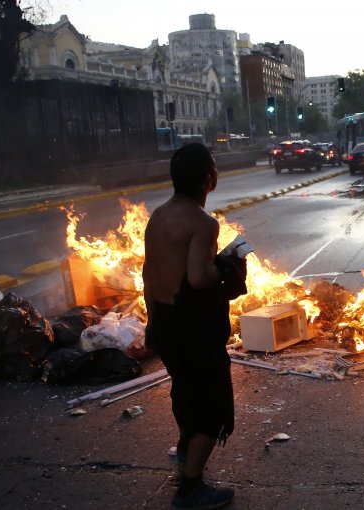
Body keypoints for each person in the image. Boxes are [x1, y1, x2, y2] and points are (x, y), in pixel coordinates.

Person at [143, 143, 247, 510]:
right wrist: (230, 265)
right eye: (213, 169)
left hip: (166, 321)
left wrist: (152, 320)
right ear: (208, 179)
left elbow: (148, 273)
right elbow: (200, 278)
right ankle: (190, 489)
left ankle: (185, 450)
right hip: (192, 328)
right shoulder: (204, 222)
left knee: (185, 390)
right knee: (212, 407)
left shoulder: (157, 216)